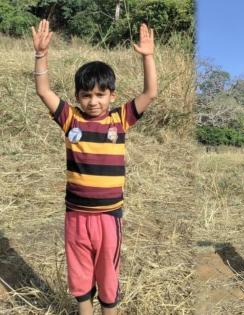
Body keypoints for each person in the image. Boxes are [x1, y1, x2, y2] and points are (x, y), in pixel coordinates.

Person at [31, 19, 157, 315]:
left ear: (112, 95)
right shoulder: (69, 119)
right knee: (80, 275)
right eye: (86, 95)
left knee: (108, 277)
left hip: (108, 217)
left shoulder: (120, 119)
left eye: (100, 95)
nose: (93, 101)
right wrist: (41, 54)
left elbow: (150, 93)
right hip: (76, 215)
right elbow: (43, 90)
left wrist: (148, 56)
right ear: (77, 97)